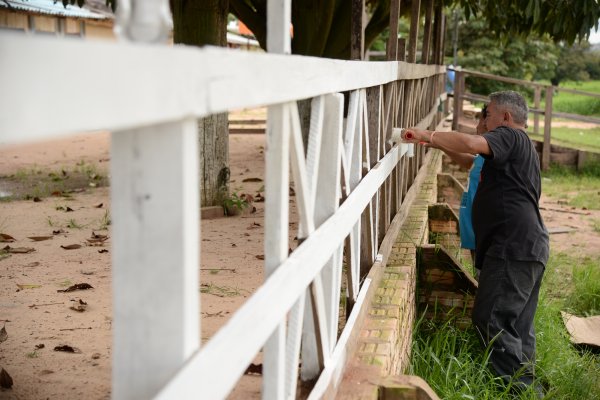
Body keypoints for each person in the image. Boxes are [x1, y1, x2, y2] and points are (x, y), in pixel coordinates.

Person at [402, 90, 549, 396]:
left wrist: (425, 133)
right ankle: (530, 389)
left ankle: (516, 391)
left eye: (488, 114)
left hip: (513, 247)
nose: (483, 119)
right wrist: (431, 141)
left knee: (492, 318)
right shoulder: (516, 148)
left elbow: (470, 143)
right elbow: (469, 156)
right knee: (516, 325)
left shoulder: (510, 136)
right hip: (525, 247)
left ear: (506, 118)